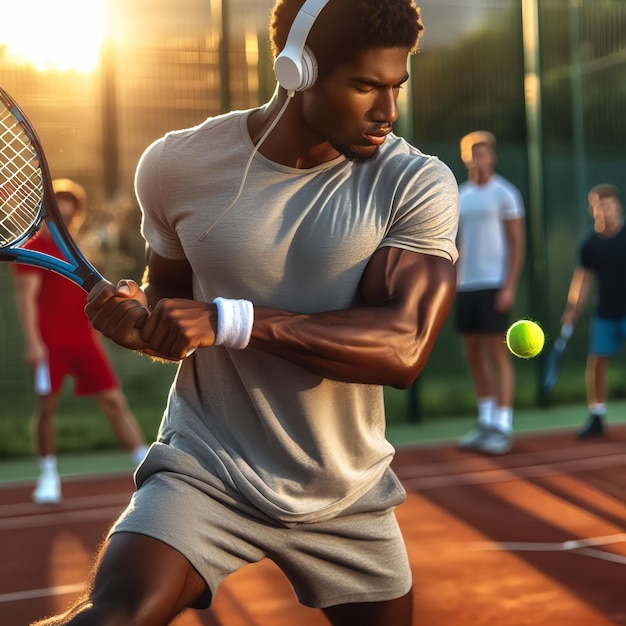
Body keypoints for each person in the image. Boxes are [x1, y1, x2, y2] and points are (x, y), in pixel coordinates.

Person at [32, 1, 458, 624]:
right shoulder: (177, 165)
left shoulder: (415, 182)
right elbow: (172, 306)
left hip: (344, 488)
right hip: (205, 467)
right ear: (297, 70)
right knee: (116, 614)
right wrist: (140, 320)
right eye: (365, 85)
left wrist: (231, 319)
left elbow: (404, 347)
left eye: (396, 87)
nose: (387, 112)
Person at [12, 178, 149, 505]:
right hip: (50, 345)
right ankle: (48, 477)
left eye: (72, 216)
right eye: (61, 214)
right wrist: (33, 343)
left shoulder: (78, 249)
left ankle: (148, 469)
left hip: (84, 342)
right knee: (46, 409)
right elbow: (26, 299)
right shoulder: (33, 251)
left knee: (115, 402)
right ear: (48, 215)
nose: (67, 220)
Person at [454, 131, 525, 455]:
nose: (476, 158)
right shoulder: (460, 194)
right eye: (471, 153)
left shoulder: (505, 194)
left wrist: (509, 286)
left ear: (491, 156)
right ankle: (485, 420)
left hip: (495, 284)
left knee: (497, 353)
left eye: (481, 152)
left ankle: (503, 424)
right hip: (465, 286)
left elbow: (516, 244)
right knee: (472, 353)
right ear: (465, 156)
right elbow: (454, 245)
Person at [560, 184, 626, 439]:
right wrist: (572, 308)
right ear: (592, 209)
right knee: (596, 362)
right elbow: (583, 279)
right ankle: (596, 416)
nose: (605, 208)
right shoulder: (590, 245)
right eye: (600, 204)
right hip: (606, 312)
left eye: (609, 204)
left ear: (617, 206)